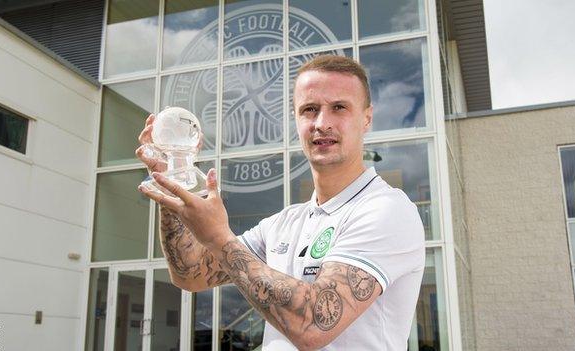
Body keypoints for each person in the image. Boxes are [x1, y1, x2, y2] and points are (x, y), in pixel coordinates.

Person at [136, 55, 425, 350]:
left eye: (339, 108)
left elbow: (314, 323)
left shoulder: (387, 210)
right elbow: (191, 273)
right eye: (309, 110)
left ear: (366, 118)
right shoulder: (284, 223)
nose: (321, 123)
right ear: (296, 119)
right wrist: (171, 179)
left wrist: (220, 238)